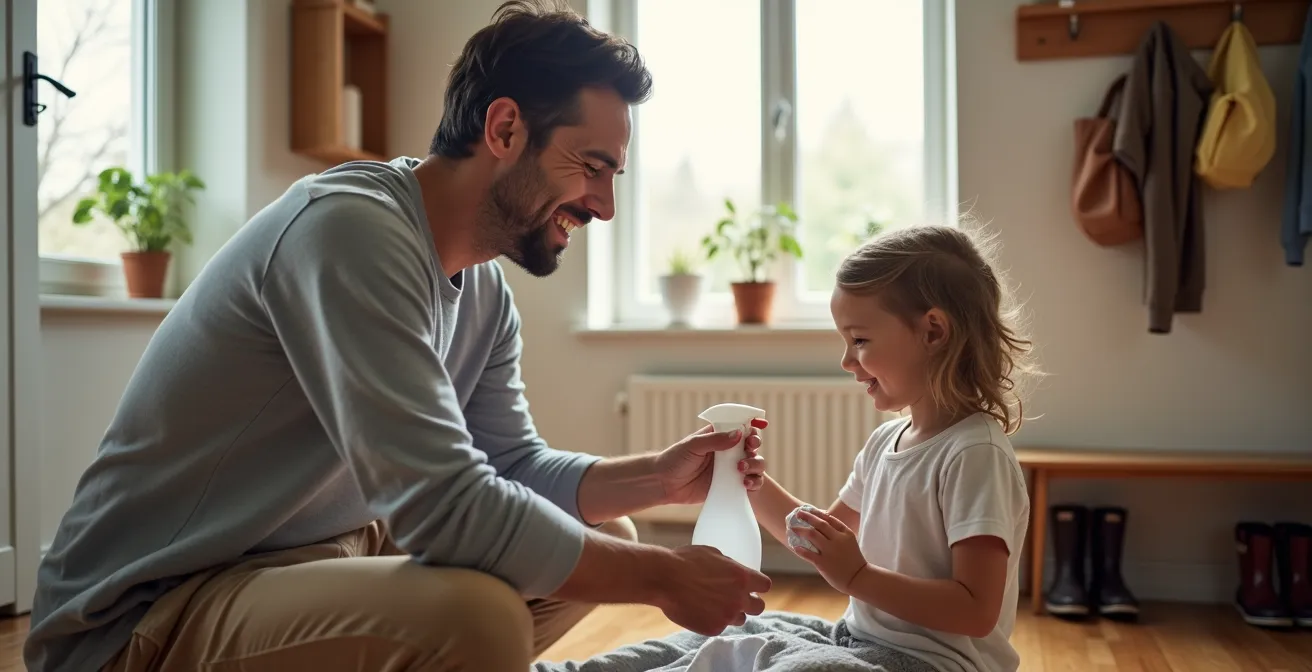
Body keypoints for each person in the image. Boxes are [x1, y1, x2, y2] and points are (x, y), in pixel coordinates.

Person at [23, 2, 775, 671]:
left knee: (603, 529)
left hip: (305, 556)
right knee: (475, 616)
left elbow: (509, 463)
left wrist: (656, 475)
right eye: (593, 167)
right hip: (145, 612)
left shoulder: (482, 286)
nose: (605, 206)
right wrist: (664, 580)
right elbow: (441, 503)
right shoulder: (349, 231)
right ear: (505, 128)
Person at [533, 224, 1038, 672]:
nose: (846, 360)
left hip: (934, 664)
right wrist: (752, 483)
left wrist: (858, 576)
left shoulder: (975, 454)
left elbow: (975, 610)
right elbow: (814, 539)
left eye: (859, 340)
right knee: (734, 637)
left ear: (932, 331)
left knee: (790, 665)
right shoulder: (888, 440)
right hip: (861, 641)